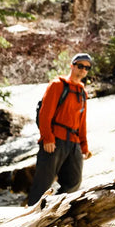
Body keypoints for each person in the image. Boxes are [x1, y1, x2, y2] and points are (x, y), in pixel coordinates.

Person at [26, 52, 92, 206]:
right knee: (43, 183)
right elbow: (44, 113)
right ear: (72, 66)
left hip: (73, 142)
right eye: (80, 66)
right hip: (55, 140)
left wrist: (84, 146)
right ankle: (32, 215)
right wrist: (47, 138)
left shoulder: (82, 92)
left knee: (74, 182)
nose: (83, 70)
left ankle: (53, 208)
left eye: (87, 67)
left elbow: (81, 122)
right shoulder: (57, 85)